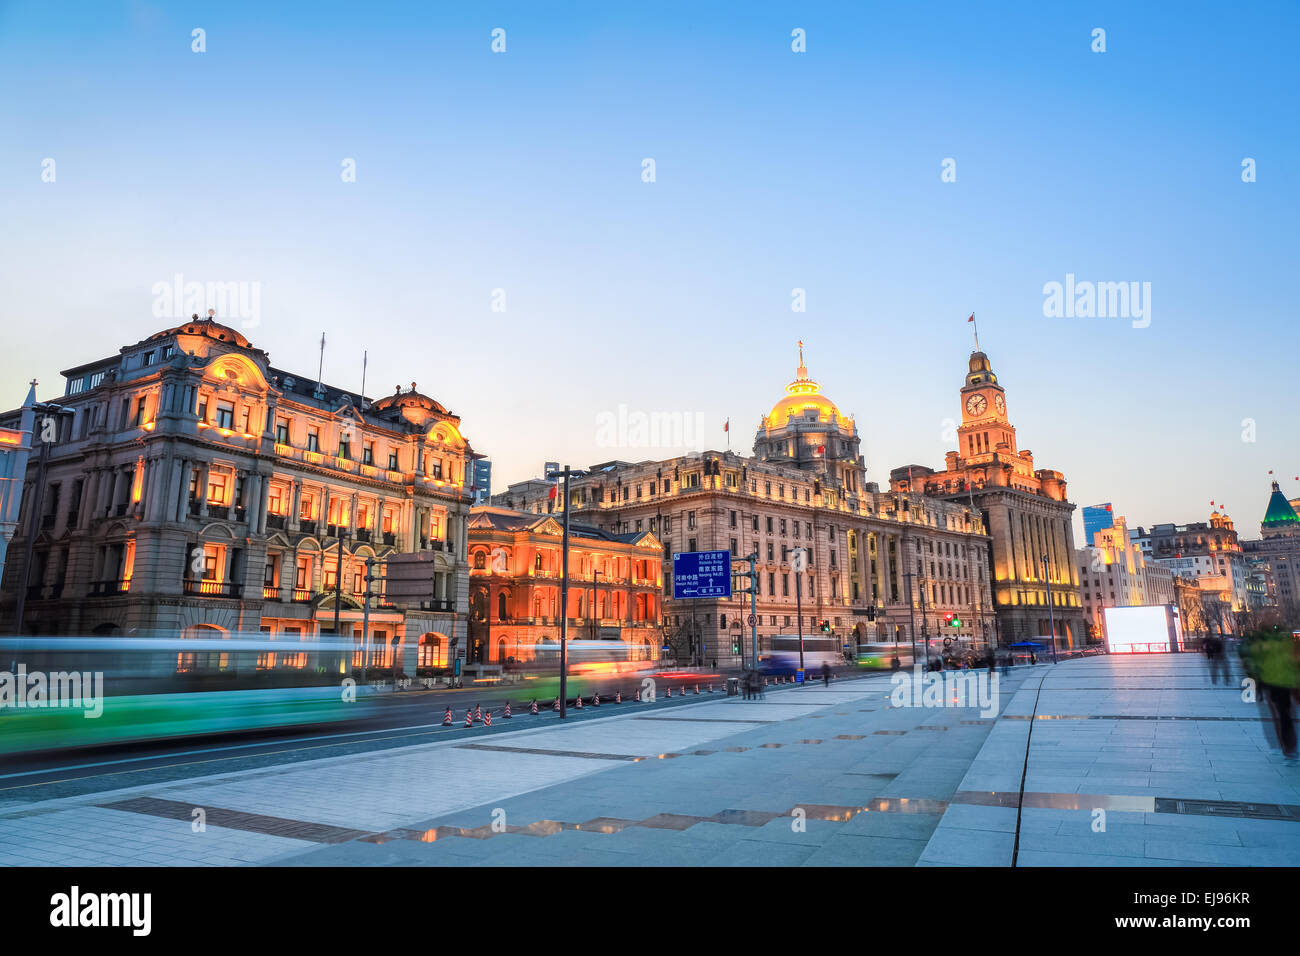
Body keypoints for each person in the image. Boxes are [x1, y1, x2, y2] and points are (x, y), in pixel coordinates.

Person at [1253, 627, 1299, 761]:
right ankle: (1289, 748)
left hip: (1282, 687)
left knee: (1284, 717)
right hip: (1279, 688)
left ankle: (1288, 748)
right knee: (1285, 716)